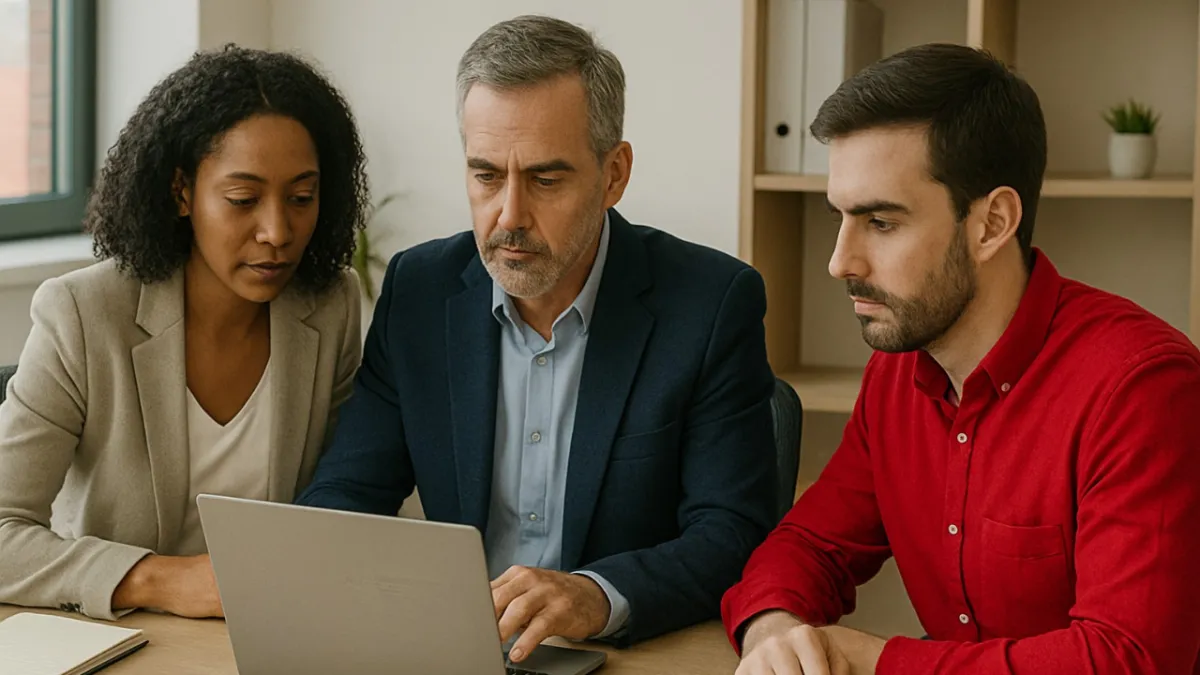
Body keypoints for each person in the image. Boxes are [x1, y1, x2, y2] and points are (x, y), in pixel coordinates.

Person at [296, 14, 778, 662]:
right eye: (486, 176)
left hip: (628, 657)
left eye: (546, 179)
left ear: (614, 173)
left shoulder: (710, 303)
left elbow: (732, 532)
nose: (509, 216)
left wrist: (597, 595)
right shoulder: (419, 291)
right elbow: (346, 493)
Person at [721, 42, 1200, 675]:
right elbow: (811, 545)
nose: (840, 262)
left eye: (881, 222)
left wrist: (878, 661)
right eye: (839, 216)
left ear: (992, 223)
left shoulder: (1143, 389)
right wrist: (776, 631)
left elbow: (1130, 659)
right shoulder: (897, 373)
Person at [0, 45, 369, 622]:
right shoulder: (83, 313)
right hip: (128, 640)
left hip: (272, 636)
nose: (278, 231)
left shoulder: (330, 304)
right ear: (180, 192)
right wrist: (159, 580)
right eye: (243, 200)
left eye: (302, 198)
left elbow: (347, 497)